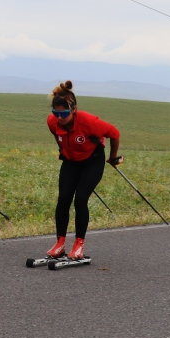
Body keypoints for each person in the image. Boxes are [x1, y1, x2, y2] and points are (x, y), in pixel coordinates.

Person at [46, 80, 122, 260]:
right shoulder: (52, 122)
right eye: (56, 113)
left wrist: (113, 157)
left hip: (92, 161)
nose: (59, 117)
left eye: (63, 113)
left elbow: (115, 133)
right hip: (71, 161)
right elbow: (58, 136)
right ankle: (60, 243)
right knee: (63, 198)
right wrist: (62, 150)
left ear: (73, 110)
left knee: (80, 199)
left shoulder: (89, 122)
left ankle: (79, 245)